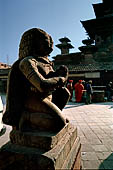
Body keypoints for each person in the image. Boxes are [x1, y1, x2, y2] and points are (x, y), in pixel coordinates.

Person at [2, 28, 70, 132]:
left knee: (65, 93)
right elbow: (41, 85)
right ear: (35, 43)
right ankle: (27, 116)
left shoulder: (46, 62)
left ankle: (47, 117)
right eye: (46, 42)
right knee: (59, 124)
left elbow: (51, 79)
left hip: (48, 97)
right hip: (34, 98)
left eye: (51, 42)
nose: (50, 46)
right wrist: (60, 78)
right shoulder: (27, 62)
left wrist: (60, 74)